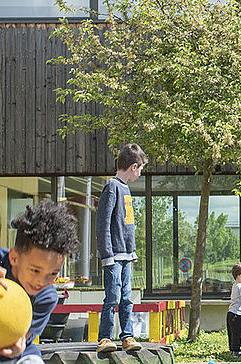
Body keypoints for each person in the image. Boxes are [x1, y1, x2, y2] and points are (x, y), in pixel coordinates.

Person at [0, 201, 79, 364]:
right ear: (14, 257)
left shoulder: (47, 297)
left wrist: (19, 346)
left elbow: (24, 337)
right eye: (35, 270)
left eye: (53, 273)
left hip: (16, 357)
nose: (42, 281)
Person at [96, 143, 148, 353]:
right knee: (113, 297)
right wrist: (107, 254)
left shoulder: (125, 188)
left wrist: (132, 250)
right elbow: (103, 223)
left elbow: (127, 225)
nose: (141, 173)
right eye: (141, 169)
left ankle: (127, 336)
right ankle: (105, 338)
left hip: (126, 255)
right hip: (114, 256)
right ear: (134, 167)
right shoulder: (112, 187)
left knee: (126, 297)